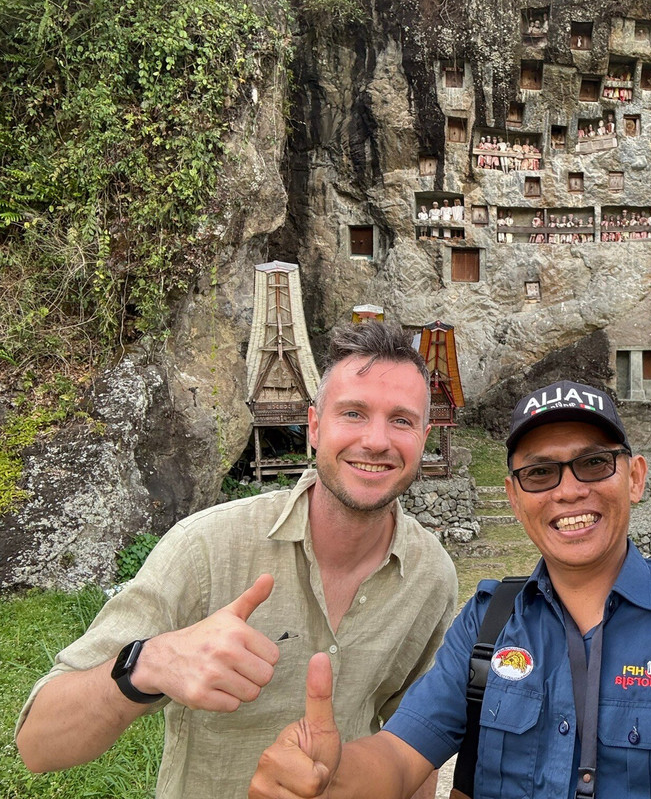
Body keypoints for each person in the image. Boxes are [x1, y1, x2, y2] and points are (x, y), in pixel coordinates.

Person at [249, 381, 651, 799]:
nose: (568, 491)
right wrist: (330, 777)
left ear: (636, 478)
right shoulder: (489, 622)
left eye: (594, 463)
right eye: (540, 473)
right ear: (516, 497)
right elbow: (398, 756)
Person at [16, 321, 458, 799]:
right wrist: (150, 663)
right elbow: (38, 745)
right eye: (352, 413)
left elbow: (413, 746)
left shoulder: (431, 577)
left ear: (424, 435)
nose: (376, 440)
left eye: (401, 420)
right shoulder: (204, 548)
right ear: (314, 426)